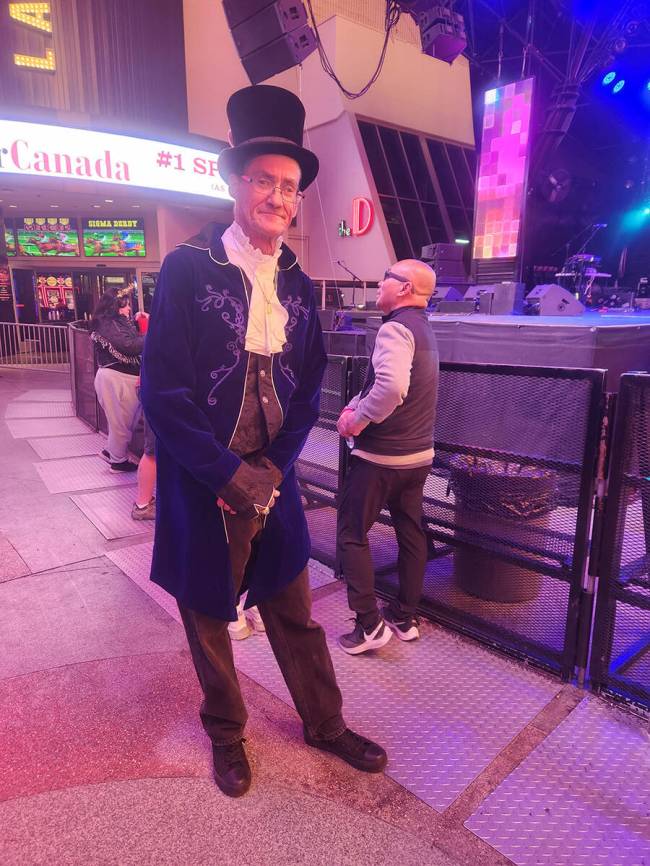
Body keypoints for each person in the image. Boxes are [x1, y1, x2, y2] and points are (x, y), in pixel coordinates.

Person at [140, 85, 387, 799]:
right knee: (209, 614)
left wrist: (272, 470)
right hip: (201, 480)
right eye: (265, 182)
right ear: (235, 183)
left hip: (272, 481)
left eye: (290, 187)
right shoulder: (187, 270)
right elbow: (166, 392)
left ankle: (325, 721)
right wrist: (224, 473)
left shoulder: (302, 287)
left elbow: (310, 387)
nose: (279, 197)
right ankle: (226, 732)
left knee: (293, 607)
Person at [336, 260, 439, 655]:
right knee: (411, 534)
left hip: (382, 458)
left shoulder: (394, 328)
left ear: (405, 288)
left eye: (387, 279)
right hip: (418, 456)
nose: (379, 283)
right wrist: (358, 404)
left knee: (351, 532)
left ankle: (368, 625)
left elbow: (393, 386)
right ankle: (404, 617)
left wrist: (355, 421)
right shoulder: (424, 327)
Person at [91, 286, 143, 473]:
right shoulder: (108, 323)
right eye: (126, 305)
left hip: (118, 377)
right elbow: (129, 346)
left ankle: (110, 452)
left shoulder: (111, 322)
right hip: (116, 378)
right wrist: (152, 333)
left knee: (120, 422)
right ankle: (118, 462)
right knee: (122, 423)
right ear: (116, 306)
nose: (129, 309)